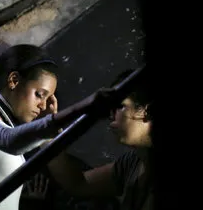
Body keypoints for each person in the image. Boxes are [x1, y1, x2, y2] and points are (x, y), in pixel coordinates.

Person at [0, 44, 104, 210]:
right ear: (14, 80)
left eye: (48, 99)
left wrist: (47, 120)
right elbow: (9, 141)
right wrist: (79, 109)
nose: (43, 105)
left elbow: (58, 165)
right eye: (40, 94)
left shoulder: (13, 130)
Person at [47, 69, 153, 210]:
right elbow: (78, 184)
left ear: (148, 111)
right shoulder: (133, 162)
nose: (111, 115)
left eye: (120, 106)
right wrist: (47, 131)